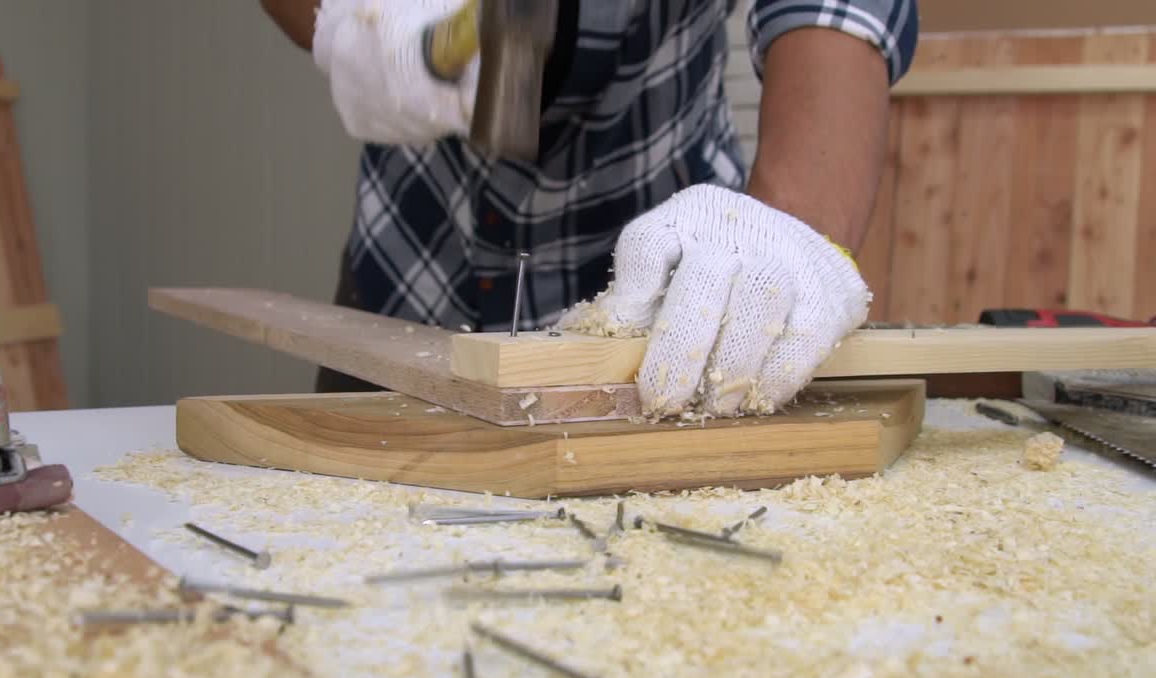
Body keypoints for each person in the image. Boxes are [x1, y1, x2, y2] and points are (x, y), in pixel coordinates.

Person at [260, 0, 918, 418]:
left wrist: (791, 232)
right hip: (408, 276)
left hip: (668, 309)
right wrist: (358, 21)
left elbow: (837, 10)